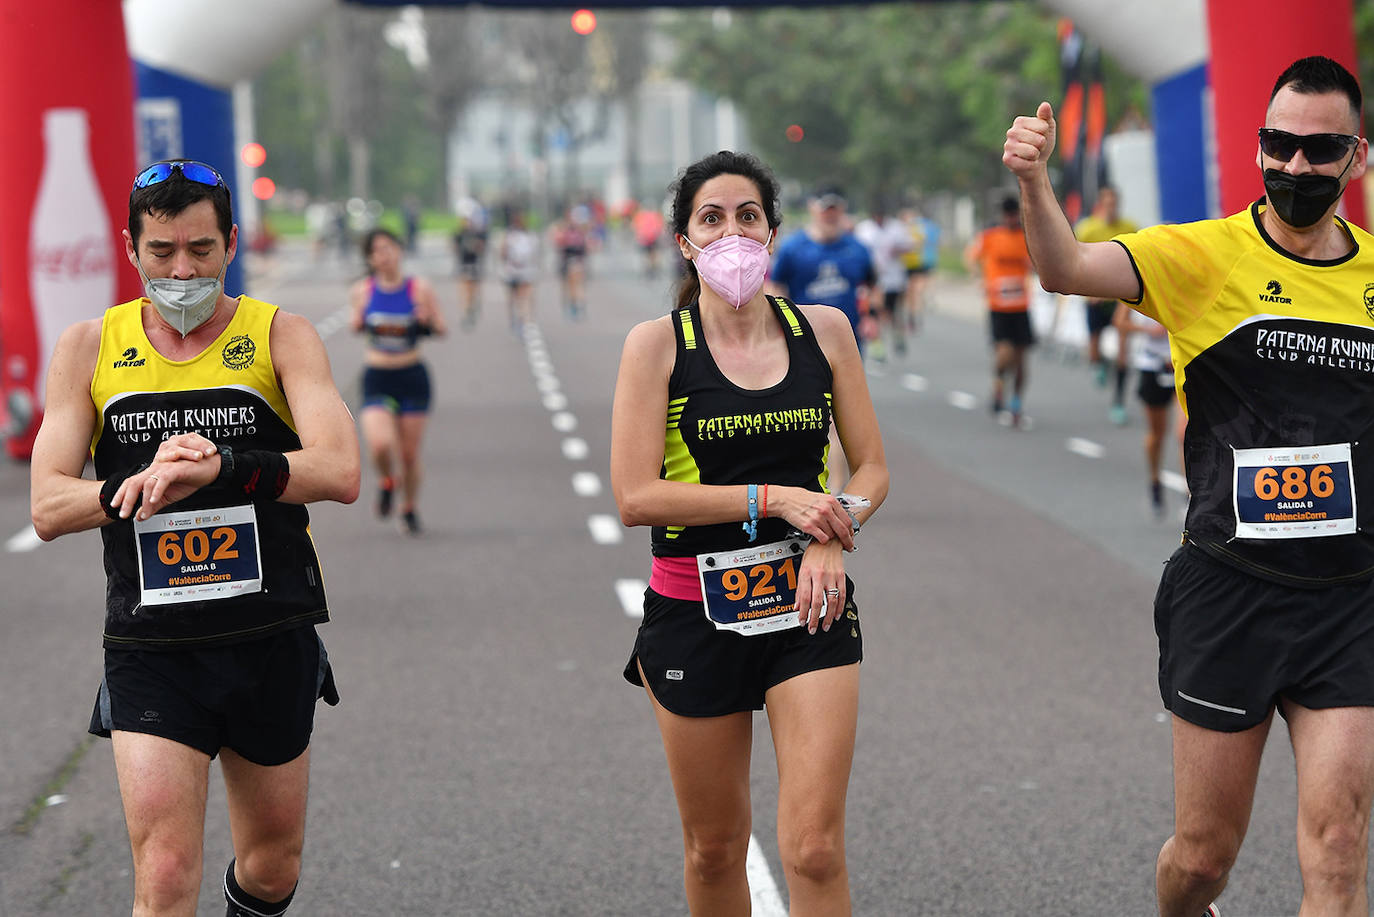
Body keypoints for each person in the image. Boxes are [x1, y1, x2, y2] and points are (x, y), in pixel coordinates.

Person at [1005, 55, 1373, 917]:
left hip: (1350, 598)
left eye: (1322, 151)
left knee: (1339, 846)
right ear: (1259, 149)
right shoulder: (1202, 255)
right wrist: (1033, 181)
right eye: (1282, 146)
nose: (1298, 167)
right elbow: (1066, 270)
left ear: (1356, 159)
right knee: (1204, 859)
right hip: (1229, 590)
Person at [29, 159, 360, 916]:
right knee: (167, 871)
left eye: (202, 251)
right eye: (163, 252)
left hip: (269, 631)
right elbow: (48, 503)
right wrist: (140, 483)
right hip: (153, 645)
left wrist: (226, 466)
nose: (183, 270)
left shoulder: (281, 334)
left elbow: (340, 470)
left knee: (272, 864)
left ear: (232, 243)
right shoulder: (90, 345)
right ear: (131, 249)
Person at [611, 150, 888, 916]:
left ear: (772, 233)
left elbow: (870, 470)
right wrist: (777, 499)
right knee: (714, 848)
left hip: (810, 603)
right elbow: (635, 495)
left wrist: (833, 529)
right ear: (683, 240)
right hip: (694, 611)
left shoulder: (825, 332)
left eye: (747, 216)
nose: (731, 231)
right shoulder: (657, 345)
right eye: (711, 217)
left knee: (814, 846)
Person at [349, 227, 446, 536]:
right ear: (370, 258)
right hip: (378, 376)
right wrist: (362, 318)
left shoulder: (419, 288)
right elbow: (356, 325)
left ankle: (409, 507)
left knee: (408, 454)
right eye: (377, 251)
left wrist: (424, 322)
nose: (384, 255)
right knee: (379, 444)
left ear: (399, 251)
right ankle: (387, 481)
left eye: (389, 247)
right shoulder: (364, 290)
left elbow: (441, 327)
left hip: (412, 376)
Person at [767, 185, 875, 357]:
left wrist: (870, 317)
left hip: (848, 338)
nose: (830, 215)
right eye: (825, 209)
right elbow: (776, 287)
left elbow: (870, 285)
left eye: (835, 209)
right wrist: (784, 323)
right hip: (806, 339)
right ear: (812, 208)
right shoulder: (792, 248)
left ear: (843, 210)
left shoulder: (858, 249)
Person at [964, 195, 1035, 428]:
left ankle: (1016, 402)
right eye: (1008, 215)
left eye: (1014, 214)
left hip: (1021, 305)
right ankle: (998, 387)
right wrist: (977, 278)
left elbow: (1035, 263)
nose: (1011, 219)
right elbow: (971, 257)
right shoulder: (990, 236)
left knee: (1021, 360)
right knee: (1004, 352)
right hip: (998, 306)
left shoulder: (1026, 237)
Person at [1075, 185, 1139, 423]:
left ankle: (1119, 402)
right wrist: (1088, 289)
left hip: (1120, 299)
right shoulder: (1088, 228)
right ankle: (1097, 363)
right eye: (1107, 202)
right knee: (1094, 345)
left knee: (1123, 351)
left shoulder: (1129, 227)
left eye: (1115, 202)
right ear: (1101, 204)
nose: (1111, 206)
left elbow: (1139, 259)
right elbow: (1075, 259)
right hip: (1095, 297)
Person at [1113, 301, 1175, 517]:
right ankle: (1155, 482)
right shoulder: (1143, 277)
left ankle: (1191, 494)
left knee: (1186, 433)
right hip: (1152, 365)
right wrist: (1149, 330)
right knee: (1157, 435)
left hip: (1182, 364)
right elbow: (1120, 322)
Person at [854, 201, 913, 358]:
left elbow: (910, 245)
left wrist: (898, 249)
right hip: (872, 279)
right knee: (874, 311)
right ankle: (877, 347)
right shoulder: (864, 229)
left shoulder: (896, 228)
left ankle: (897, 336)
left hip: (893, 278)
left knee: (891, 312)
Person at [900, 205, 941, 332]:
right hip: (905, 265)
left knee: (915, 290)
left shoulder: (918, 230)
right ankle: (911, 313)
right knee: (910, 293)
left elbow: (922, 244)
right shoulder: (901, 230)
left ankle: (914, 314)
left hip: (917, 264)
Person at [499, 208, 539, 334]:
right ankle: (515, 318)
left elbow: (534, 253)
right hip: (512, 270)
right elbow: (502, 253)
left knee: (525, 296)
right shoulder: (509, 235)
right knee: (513, 297)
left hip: (525, 270)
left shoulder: (530, 235)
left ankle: (524, 320)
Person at [552, 203, 591, 320]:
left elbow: (559, 243)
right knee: (572, 286)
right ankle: (575, 306)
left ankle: (575, 307)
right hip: (573, 260)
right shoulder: (574, 231)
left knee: (573, 286)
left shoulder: (569, 230)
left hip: (572, 261)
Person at [452, 210, 488, 331]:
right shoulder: (458, 234)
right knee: (465, 289)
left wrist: (475, 245)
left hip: (474, 264)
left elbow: (482, 248)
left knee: (474, 289)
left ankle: (473, 306)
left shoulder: (477, 234)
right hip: (464, 264)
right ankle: (466, 312)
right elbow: (454, 247)